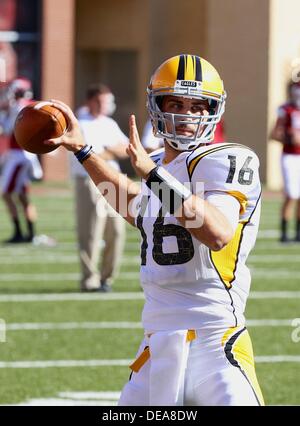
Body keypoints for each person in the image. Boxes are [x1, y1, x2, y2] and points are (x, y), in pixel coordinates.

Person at [45, 54, 264, 406]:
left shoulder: (227, 159)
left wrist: (152, 176)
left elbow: (217, 232)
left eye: (196, 106)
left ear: (213, 110)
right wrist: (84, 151)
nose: (185, 115)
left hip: (215, 340)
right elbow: (130, 203)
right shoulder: (159, 167)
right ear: (155, 105)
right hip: (156, 343)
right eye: (175, 102)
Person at [70, 83, 128, 292]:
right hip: (88, 180)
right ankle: (90, 280)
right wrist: (109, 151)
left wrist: (108, 151)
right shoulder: (81, 122)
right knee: (91, 231)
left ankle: (107, 278)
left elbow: (124, 149)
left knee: (117, 230)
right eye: (105, 101)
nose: (109, 105)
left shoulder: (109, 123)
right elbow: (91, 156)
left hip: (112, 179)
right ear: (92, 101)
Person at [0, 78, 42, 243]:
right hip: (20, 156)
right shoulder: (25, 105)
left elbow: (8, 129)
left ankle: (19, 232)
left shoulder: (21, 106)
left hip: (19, 156)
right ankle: (30, 233)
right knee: (23, 196)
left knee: (7, 194)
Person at [270, 80, 300, 242]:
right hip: (290, 155)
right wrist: (289, 137)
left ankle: (298, 233)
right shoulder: (286, 110)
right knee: (291, 195)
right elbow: (274, 134)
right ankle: (284, 233)